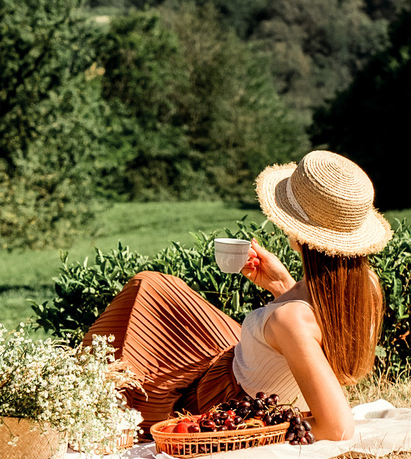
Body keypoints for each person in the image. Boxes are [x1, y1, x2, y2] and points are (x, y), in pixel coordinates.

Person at [84, 149, 390, 443]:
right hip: (244, 367)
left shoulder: (292, 320)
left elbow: (337, 428)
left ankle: (84, 402)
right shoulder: (365, 287)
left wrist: (250, 426)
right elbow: (312, 342)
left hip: (228, 401)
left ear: (298, 233)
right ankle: (80, 391)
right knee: (162, 291)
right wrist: (282, 285)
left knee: (146, 290)